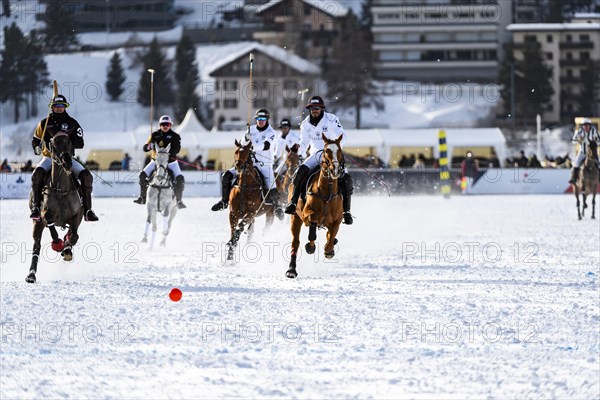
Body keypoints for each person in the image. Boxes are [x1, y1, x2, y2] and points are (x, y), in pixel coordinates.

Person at [284, 96, 354, 225]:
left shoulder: (331, 119)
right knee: (299, 172)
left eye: (317, 108)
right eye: (312, 108)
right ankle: (293, 203)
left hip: (332, 153)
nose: (314, 110)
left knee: (347, 179)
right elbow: (304, 143)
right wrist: (298, 148)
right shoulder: (305, 123)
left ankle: (346, 211)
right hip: (316, 154)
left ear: (321, 109)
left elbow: (342, 135)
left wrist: (336, 147)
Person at [29, 94, 99, 222]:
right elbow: (36, 139)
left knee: (86, 176)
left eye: (61, 106)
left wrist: (66, 141)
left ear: (65, 107)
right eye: (56, 106)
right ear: (52, 107)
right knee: (37, 175)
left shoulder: (72, 123)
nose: (59, 108)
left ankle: (88, 210)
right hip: (49, 158)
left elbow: (80, 143)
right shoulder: (45, 123)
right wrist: (37, 148)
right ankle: (36, 207)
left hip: (67, 158)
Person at [211, 109, 282, 217]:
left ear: (267, 119)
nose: (260, 121)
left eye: (263, 119)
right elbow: (242, 144)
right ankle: (224, 202)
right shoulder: (251, 129)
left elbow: (267, 145)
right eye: (258, 119)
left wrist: (252, 147)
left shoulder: (271, 132)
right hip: (249, 164)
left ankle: (277, 207)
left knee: (271, 188)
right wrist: (245, 138)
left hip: (265, 165)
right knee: (226, 175)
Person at [133, 115, 186, 209]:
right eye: (163, 124)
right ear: (160, 125)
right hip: (155, 162)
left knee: (180, 179)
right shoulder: (154, 135)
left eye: (167, 124)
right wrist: (149, 146)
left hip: (171, 162)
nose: (165, 126)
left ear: (170, 125)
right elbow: (145, 148)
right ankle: (142, 197)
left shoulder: (175, 136)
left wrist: (166, 153)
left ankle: (179, 200)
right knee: (142, 175)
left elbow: (177, 149)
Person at [569, 118, 600, 183]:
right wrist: (579, 140)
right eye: (584, 125)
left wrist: (595, 143)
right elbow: (573, 140)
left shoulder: (595, 131)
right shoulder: (579, 131)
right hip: (583, 152)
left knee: (599, 164)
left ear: (590, 126)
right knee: (576, 163)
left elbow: (599, 141)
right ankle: (573, 178)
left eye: (587, 125)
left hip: (593, 153)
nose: (586, 127)